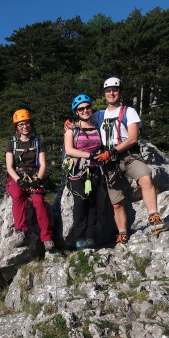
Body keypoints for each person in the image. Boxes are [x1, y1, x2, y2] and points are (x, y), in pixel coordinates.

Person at [93, 77, 169, 244]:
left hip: (128, 155)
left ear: (120, 93)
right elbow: (82, 124)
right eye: (108, 91)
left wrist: (112, 151)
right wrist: (69, 125)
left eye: (115, 90)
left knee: (145, 177)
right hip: (110, 163)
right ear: (105, 93)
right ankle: (123, 234)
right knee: (117, 201)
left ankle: (154, 218)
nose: (111, 93)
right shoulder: (98, 116)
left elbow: (133, 138)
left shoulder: (128, 111)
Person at [5, 109, 54, 251]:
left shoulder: (38, 142)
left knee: (38, 201)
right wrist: (19, 181)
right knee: (18, 195)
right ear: (17, 127)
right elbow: (9, 166)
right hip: (16, 176)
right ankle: (20, 231)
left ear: (30, 124)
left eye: (26, 123)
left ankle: (47, 238)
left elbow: (43, 164)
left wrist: (37, 180)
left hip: (34, 176)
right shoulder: (12, 143)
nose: (24, 127)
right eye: (20, 125)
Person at [63, 95, 103, 249]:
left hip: (95, 169)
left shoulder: (98, 126)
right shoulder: (71, 129)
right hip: (77, 170)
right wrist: (90, 155)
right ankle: (79, 237)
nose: (85, 110)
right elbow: (69, 150)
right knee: (81, 202)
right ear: (76, 112)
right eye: (81, 108)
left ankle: (90, 236)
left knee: (93, 203)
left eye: (87, 107)